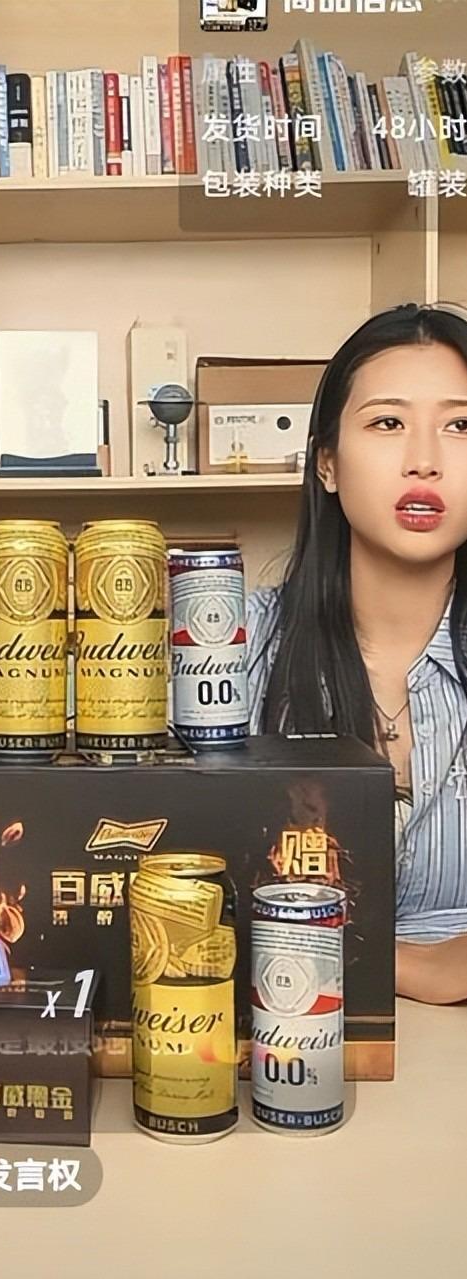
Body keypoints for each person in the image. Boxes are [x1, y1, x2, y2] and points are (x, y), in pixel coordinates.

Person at [247, 303, 467, 1006]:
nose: (425, 459)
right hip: (286, 1023)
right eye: (387, 422)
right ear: (327, 463)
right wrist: (414, 966)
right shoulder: (235, 651)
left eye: (460, 425)